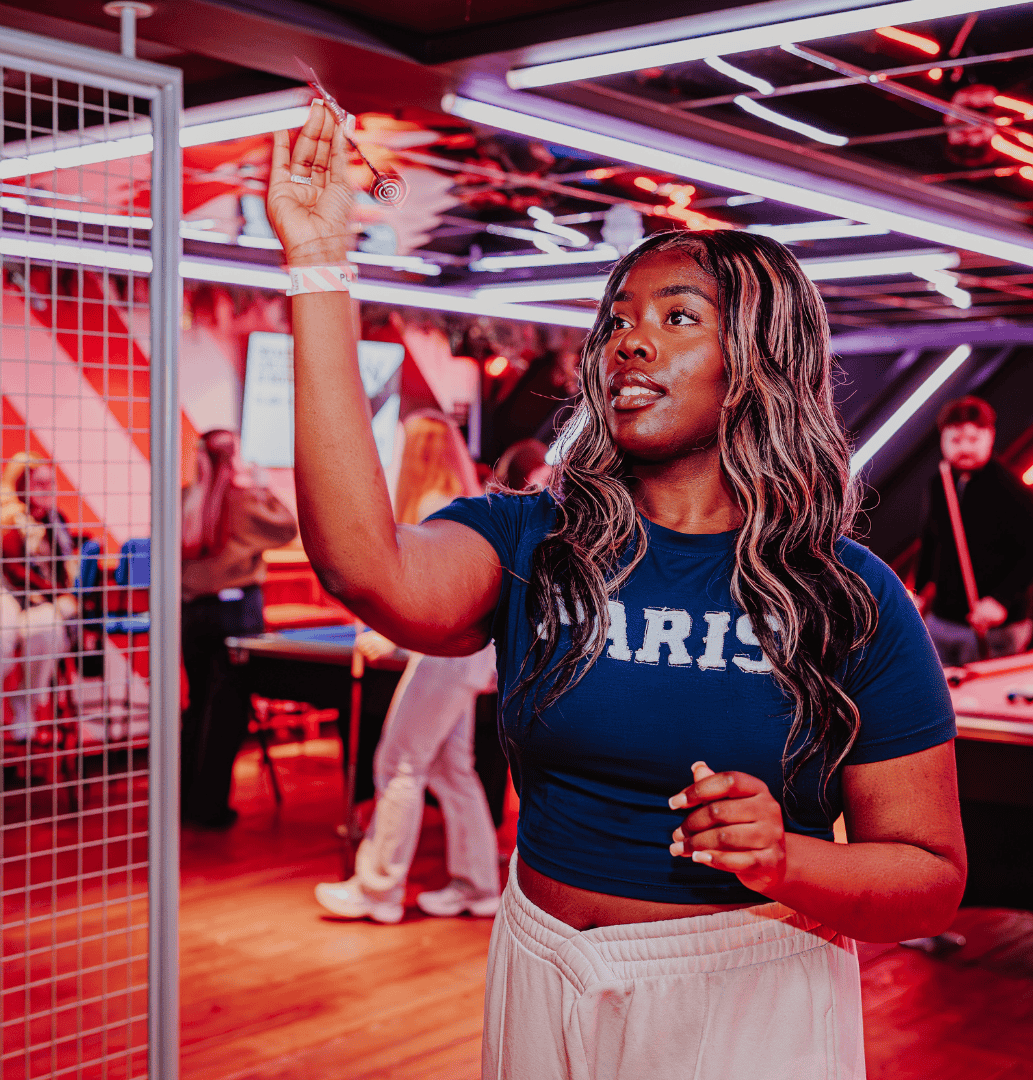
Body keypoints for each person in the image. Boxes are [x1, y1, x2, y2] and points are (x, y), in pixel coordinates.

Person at [267, 104, 966, 1079]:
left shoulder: (851, 597)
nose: (629, 343)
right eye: (619, 322)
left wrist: (787, 860)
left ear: (757, 361)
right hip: (538, 962)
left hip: (743, 987)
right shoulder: (532, 540)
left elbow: (931, 881)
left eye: (676, 318)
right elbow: (366, 571)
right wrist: (318, 263)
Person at [315, 411, 501, 924]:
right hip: (464, 657)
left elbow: (431, 602)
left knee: (398, 762)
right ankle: (478, 885)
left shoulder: (431, 506)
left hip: (443, 657)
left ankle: (378, 889)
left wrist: (387, 635)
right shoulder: (463, 502)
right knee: (451, 771)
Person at [181, 430, 297, 828]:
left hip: (192, 615)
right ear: (233, 460)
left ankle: (185, 801)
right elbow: (287, 528)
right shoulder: (244, 501)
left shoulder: (184, 500)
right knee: (227, 711)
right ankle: (210, 808)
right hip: (235, 615)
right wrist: (264, 488)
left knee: (197, 707)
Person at [914, 396, 1033, 667]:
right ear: (942, 440)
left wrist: (1000, 601)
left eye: (973, 439)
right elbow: (930, 542)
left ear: (990, 437)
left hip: (996, 626)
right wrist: (919, 595)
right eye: (955, 440)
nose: (964, 448)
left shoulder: (1012, 490)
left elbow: (1029, 554)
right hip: (942, 620)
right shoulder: (938, 483)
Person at [0, 453, 75, 743]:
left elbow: (62, 565)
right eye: (39, 483)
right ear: (21, 485)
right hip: (5, 591)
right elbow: (13, 569)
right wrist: (55, 591)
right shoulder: (9, 518)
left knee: (49, 628)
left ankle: (25, 706)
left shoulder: (56, 519)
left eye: (51, 482)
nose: (47, 489)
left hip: (40, 600)